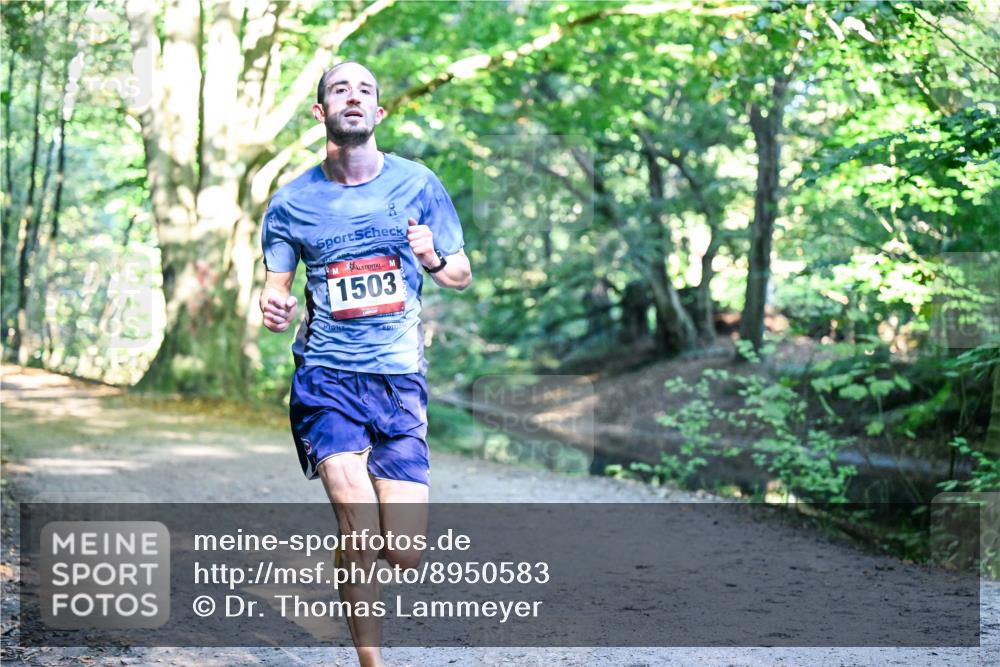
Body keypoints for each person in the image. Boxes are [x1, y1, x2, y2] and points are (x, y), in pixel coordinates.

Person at [258, 61, 471, 667]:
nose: (352, 96)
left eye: (364, 90)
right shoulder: (291, 203)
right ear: (321, 112)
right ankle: (371, 662)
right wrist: (274, 307)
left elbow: (460, 274)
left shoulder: (419, 184)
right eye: (339, 89)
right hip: (326, 378)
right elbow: (276, 287)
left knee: (402, 551)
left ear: (377, 112)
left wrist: (432, 257)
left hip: (399, 382)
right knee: (358, 526)